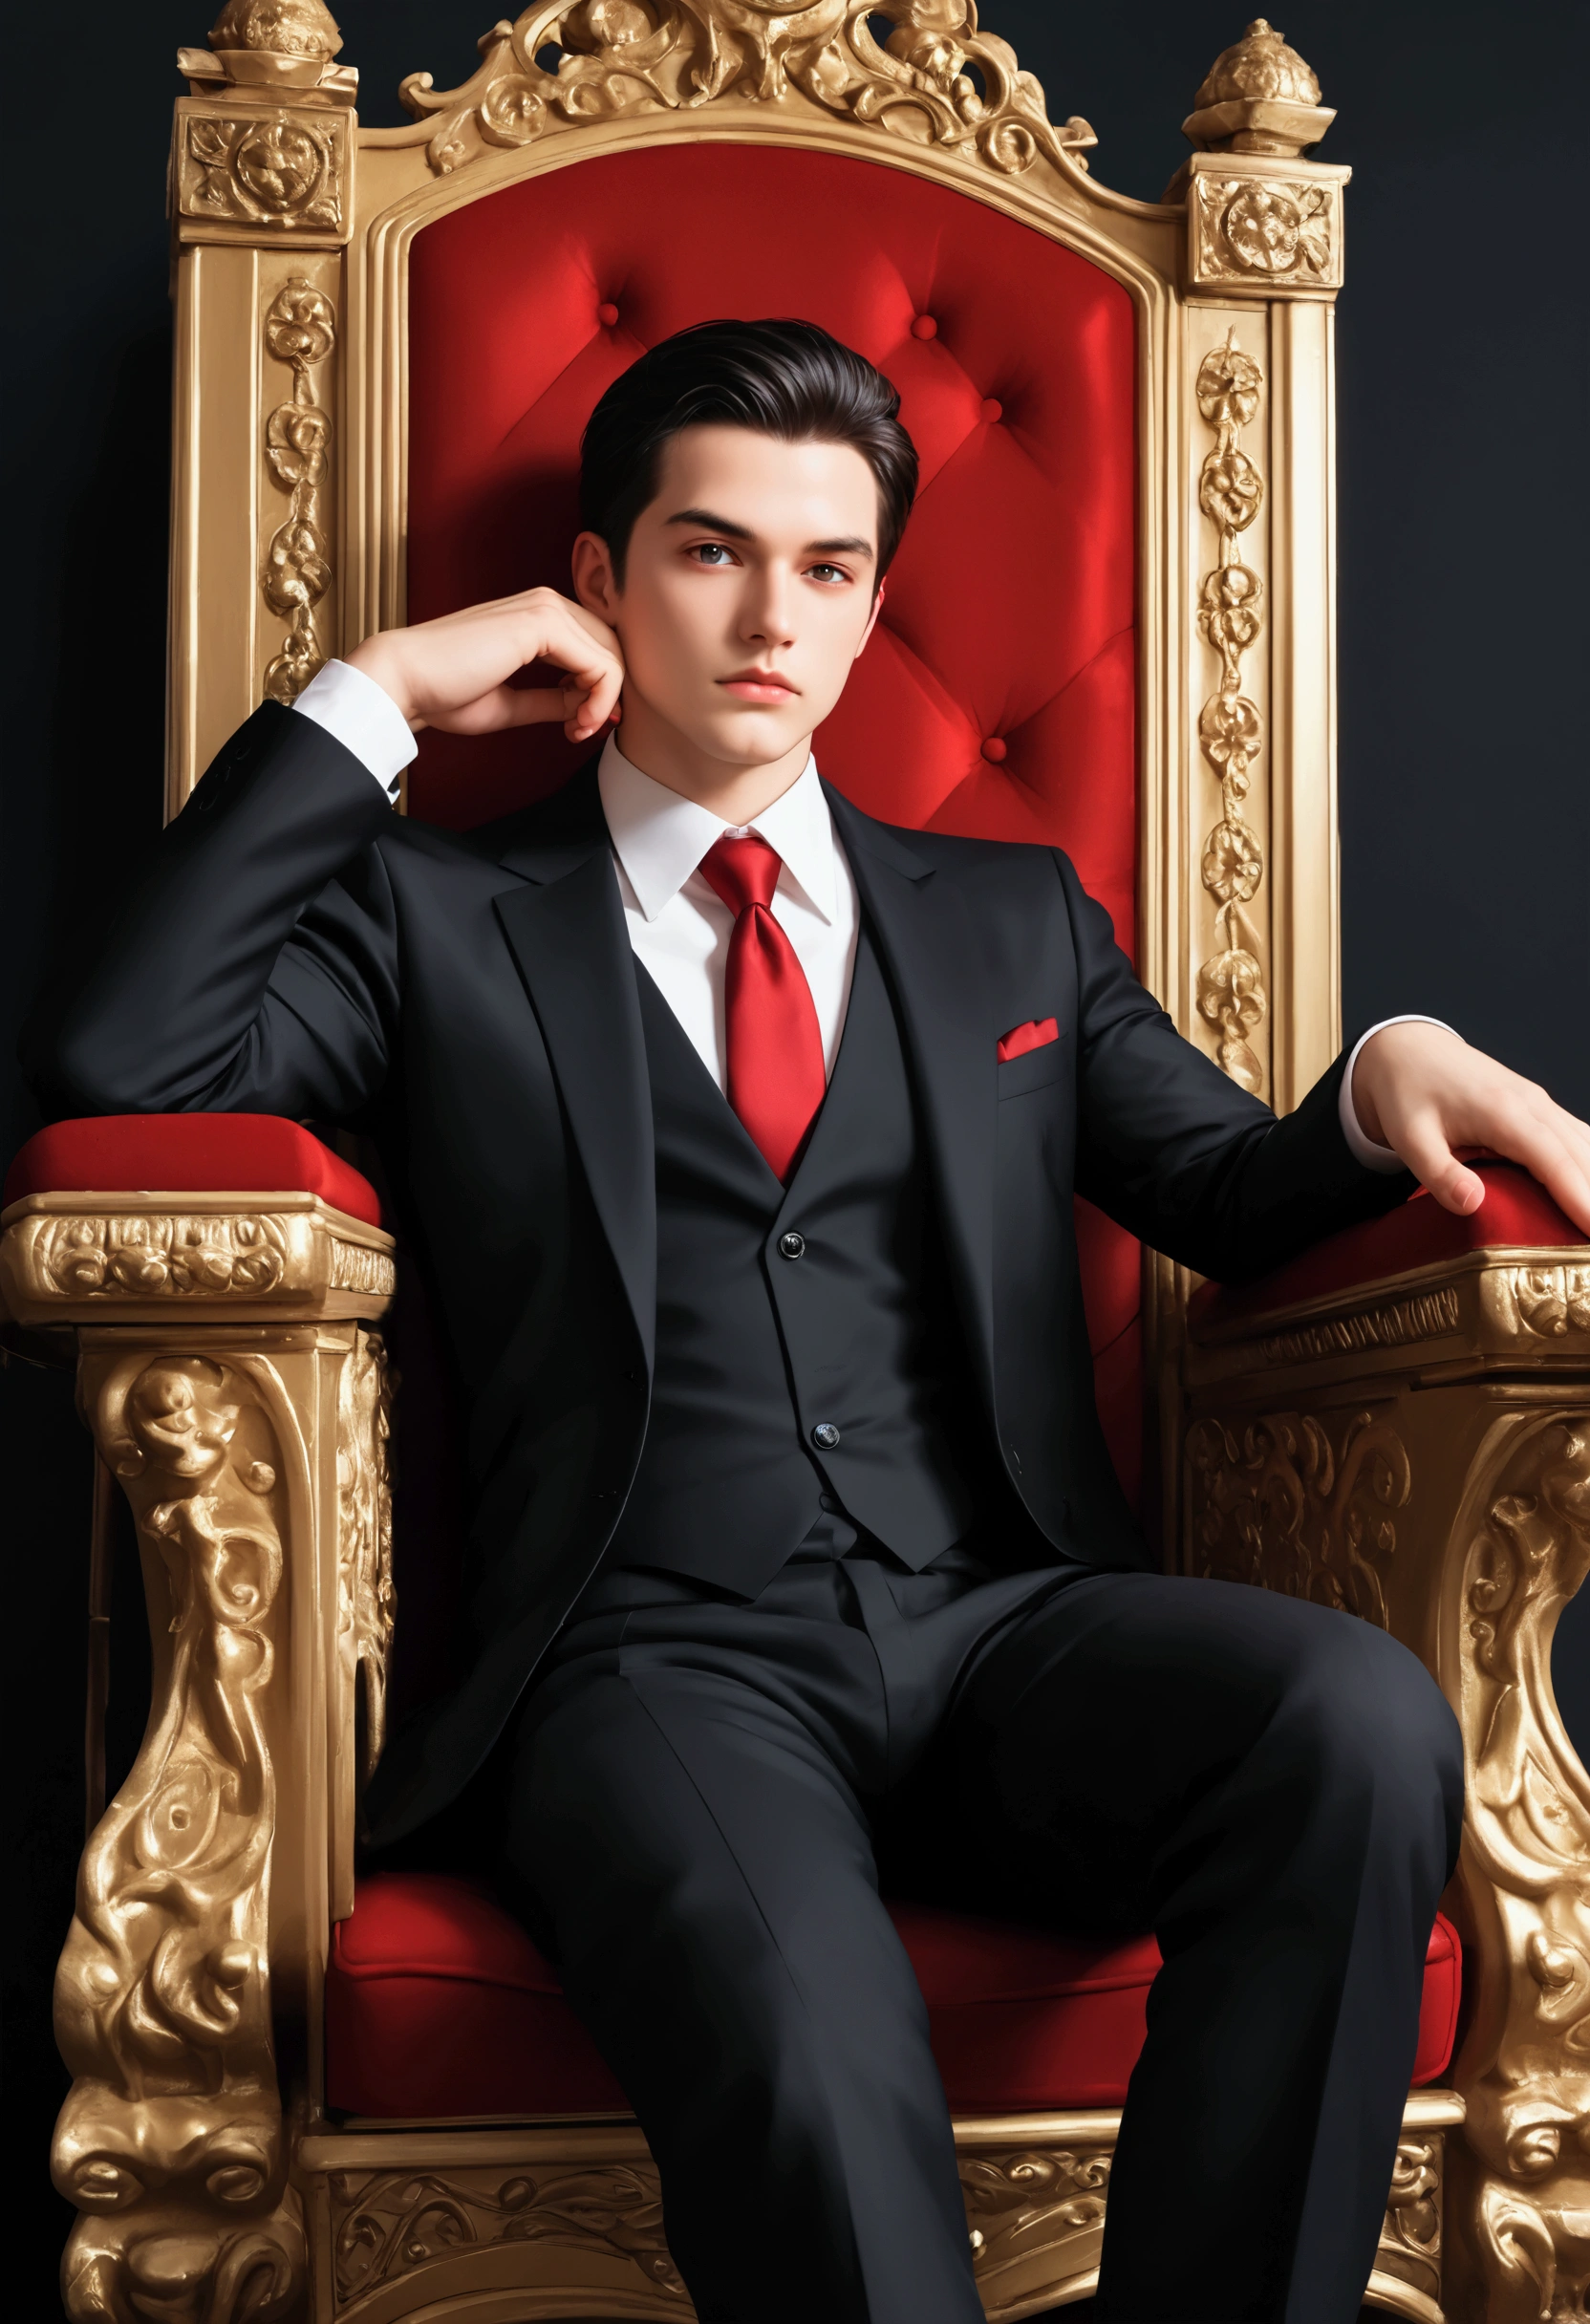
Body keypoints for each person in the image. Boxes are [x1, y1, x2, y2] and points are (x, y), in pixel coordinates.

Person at [26, 319, 1590, 2324]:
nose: (775, 616)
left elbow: (1216, 1189)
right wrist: (376, 695)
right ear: (594, 581)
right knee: (816, 2049)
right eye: (708, 551)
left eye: (831, 567)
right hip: (649, 1661)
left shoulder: (1013, 920)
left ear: (873, 599)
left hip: (998, 1624)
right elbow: (122, 1051)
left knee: (1353, 1719)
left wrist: (1386, 1066)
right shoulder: (431, 916)